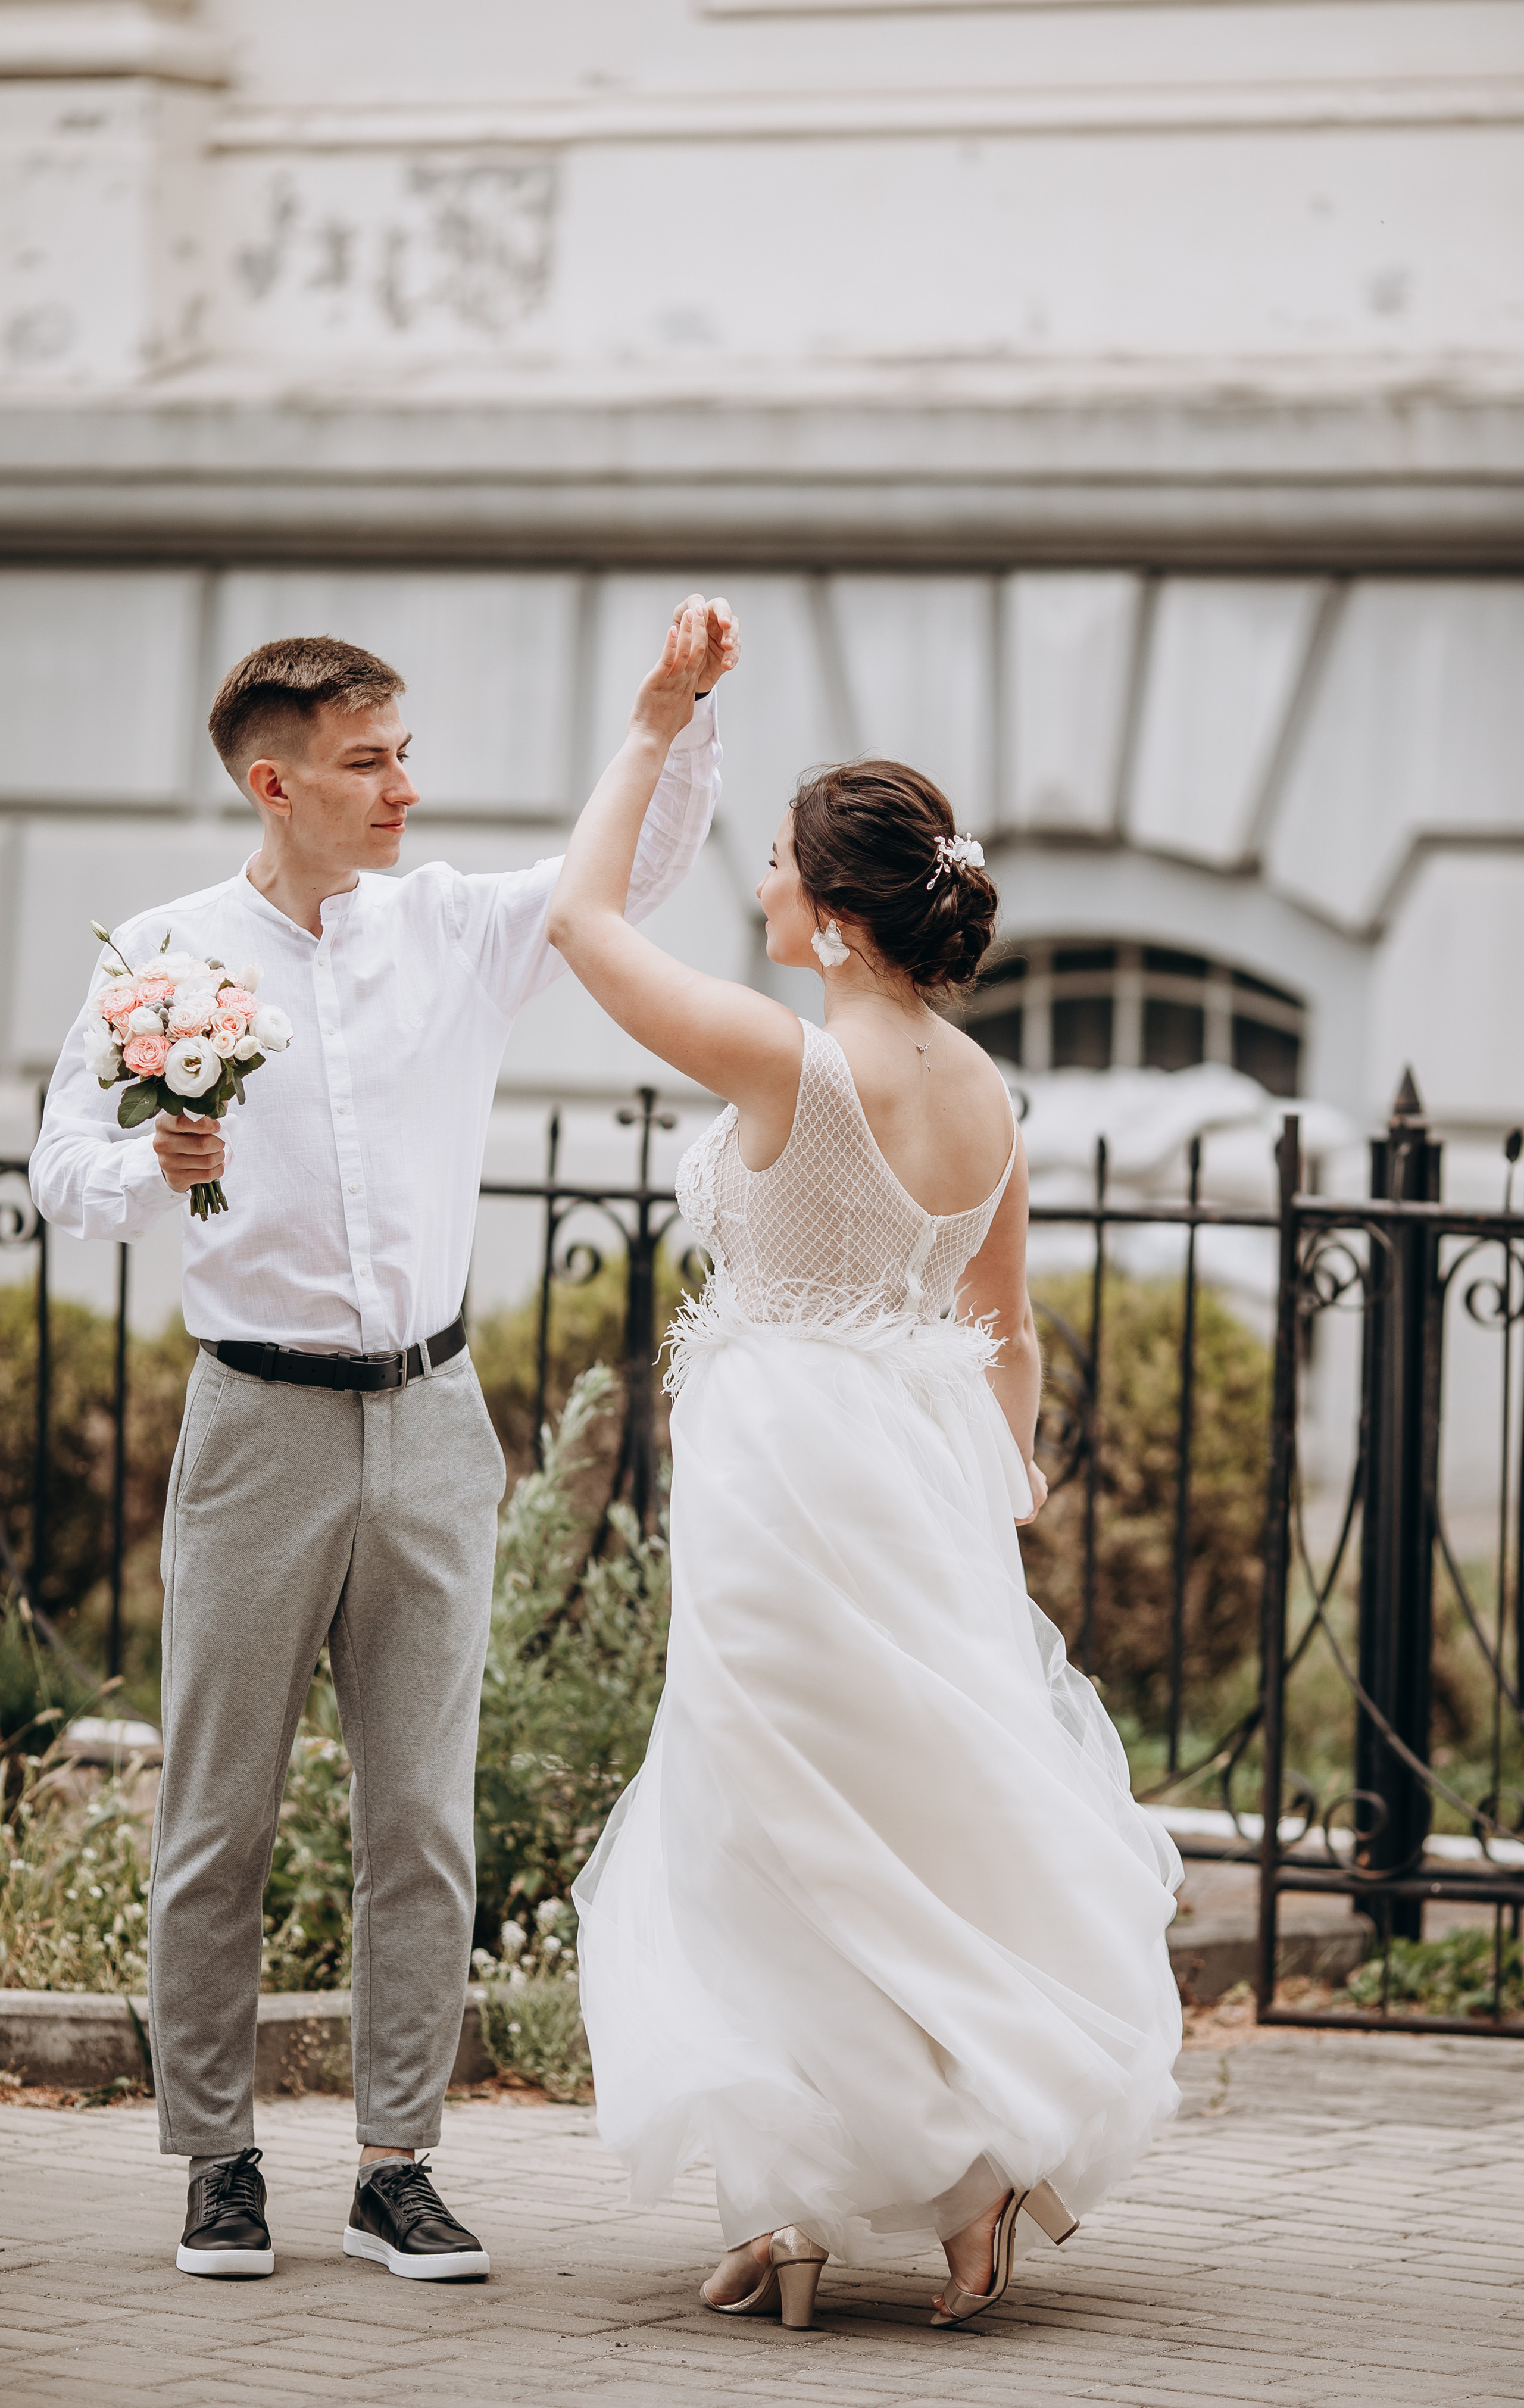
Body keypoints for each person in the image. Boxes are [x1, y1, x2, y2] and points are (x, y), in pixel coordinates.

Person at [29, 601, 738, 2282]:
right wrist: (164, 1167)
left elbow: (624, 882)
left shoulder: (456, 929)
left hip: (432, 1416)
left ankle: (398, 2160)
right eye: (370, 762)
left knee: (421, 1816)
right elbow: (63, 1167)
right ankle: (216, 2160)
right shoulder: (162, 957)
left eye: (406, 752)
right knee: (218, 1811)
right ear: (277, 785)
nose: (405, 787)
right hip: (255, 1420)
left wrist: (668, 723)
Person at [550, 604, 1182, 2331]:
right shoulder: (986, 1093)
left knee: (774, 1824)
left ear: (828, 915)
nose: (754, 886)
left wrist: (652, 733)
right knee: (893, 1819)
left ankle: (913, 2175)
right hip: (909, 1476)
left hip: (780, 1483)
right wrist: (1013, 1482)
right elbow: (1012, 1326)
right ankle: (818, 2193)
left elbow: (577, 922)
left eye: (767, 865)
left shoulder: (790, 1054)